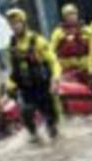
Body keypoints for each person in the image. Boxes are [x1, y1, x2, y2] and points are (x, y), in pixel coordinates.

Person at [6, 8, 62, 140]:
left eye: (17, 23)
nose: (15, 26)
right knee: (26, 112)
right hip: (26, 89)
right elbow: (13, 72)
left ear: (24, 23)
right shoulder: (12, 45)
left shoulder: (38, 41)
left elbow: (54, 61)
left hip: (43, 87)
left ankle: (54, 139)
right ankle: (34, 138)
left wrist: (55, 79)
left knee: (51, 123)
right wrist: (9, 85)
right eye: (12, 24)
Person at [51, 3, 92, 87]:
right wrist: (56, 73)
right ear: (64, 17)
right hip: (68, 73)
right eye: (68, 14)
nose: (71, 16)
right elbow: (52, 53)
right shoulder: (58, 33)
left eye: (73, 13)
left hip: (87, 71)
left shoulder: (87, 31)